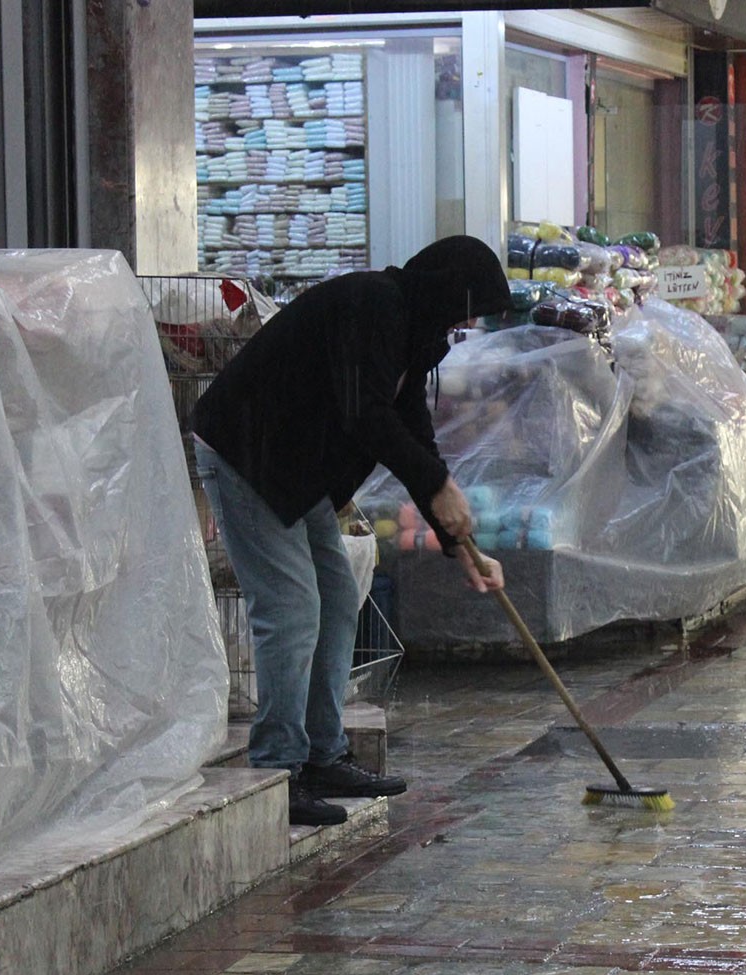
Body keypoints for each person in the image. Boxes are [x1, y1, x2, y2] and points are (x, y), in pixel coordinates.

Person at [191, 236, 512, 826]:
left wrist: (459, 543)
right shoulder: (373, 305)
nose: (469, 321)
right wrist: (438, 486)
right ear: (445, 289)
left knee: (338, 596)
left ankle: (323, 751)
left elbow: (411, 430)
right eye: (469, 306)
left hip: (292, 466)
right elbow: (364, 414)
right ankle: (277, 768)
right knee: (291, 606)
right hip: (246, 454)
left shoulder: (414, 333)